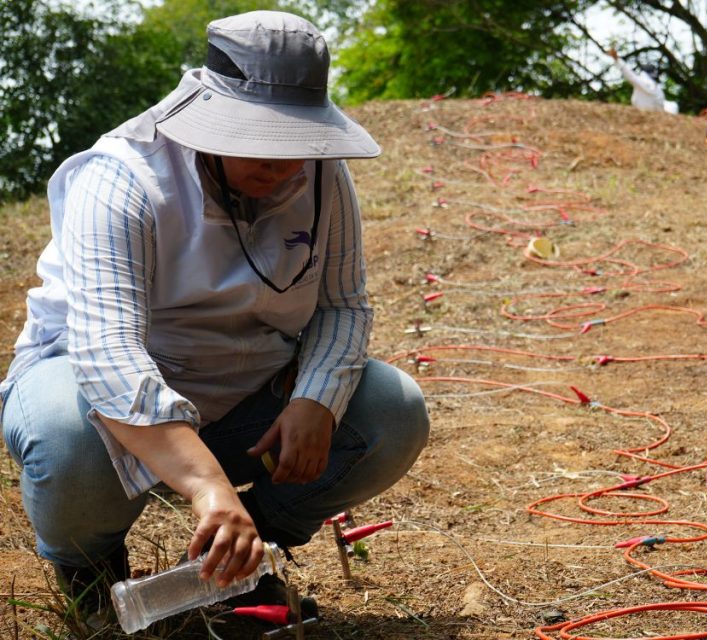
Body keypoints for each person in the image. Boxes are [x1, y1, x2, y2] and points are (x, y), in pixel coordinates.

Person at [0, 10, 429, 619]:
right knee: (63, 438)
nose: (280, 164)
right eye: (257, 138)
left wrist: (316, 398)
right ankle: (91, 576)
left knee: (392, 410)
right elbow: (107, 356)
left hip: (244, 403)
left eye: (293, 142)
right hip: (106, 404)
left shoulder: (325, 179)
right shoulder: (123, 178)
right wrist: (205, 484)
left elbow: (342, 305)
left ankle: (242, 560)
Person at [607, 47, 673, 113]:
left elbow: (630, 75)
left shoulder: (644, 81)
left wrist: (617, 59)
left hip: (644, 113)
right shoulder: (658, 89)